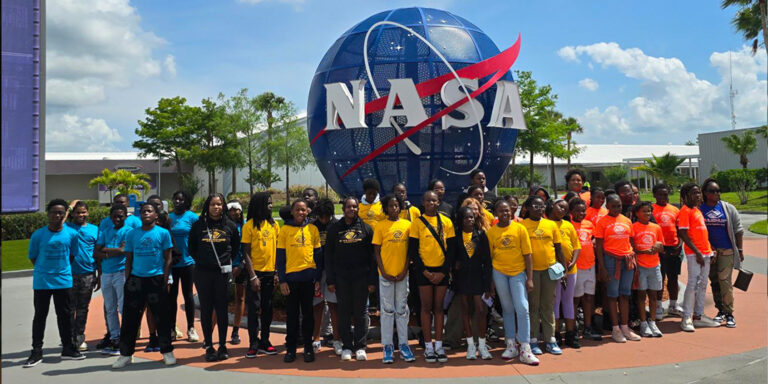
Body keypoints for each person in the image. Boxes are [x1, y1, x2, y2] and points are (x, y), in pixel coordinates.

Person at [112, 202, 176, 369]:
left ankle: (167, 352)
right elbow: (129, 259)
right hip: (135, 280)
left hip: (156, 279)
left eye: (149, 211)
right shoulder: (132, 234)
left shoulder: (163, 233)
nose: (145, 214)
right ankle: (126, 354)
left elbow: (168, 257)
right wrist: (128, 280)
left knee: (161, 318)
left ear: (156, 215)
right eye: (143, 212)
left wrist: (165, 276)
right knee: (130, 319)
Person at [24, 199, 85, 368]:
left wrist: (60, 270)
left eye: (61, 213)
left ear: (65, 214)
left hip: (63, 281)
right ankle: (36, 351)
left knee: (65, 316)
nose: (57, 215)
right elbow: (33, 257)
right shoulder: (38, 235)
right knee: (40, 317)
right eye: (53, 212)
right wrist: (45, 270)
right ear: (48, 214)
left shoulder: (72, 234)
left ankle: (68, 348)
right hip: (42, 281)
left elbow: (72, 255)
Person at [188, 193, 240, 361]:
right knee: (206, 309)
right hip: (203, 273)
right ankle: (209, 346)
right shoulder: (198, 226)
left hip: (222, 274)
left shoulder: (230, 226)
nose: (216, 207)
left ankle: (223, 345)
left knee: (222, 309)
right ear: (207, 206)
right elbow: (192, 248)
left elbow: (235, 246)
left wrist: (226, 262)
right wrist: (204, 261)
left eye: (219, 204)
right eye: (213, 204)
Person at [487, 201, 539, 365]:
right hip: (499, 272)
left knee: (522, 307)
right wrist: (491, 282)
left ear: (512, 212)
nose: (505, 213)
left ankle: (525, 346)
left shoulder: (520, 228)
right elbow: (489, 258)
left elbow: (528, 255)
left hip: (517, 273)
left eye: (507, 210)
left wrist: (529, 278)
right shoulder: (492, 232)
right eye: (501, 211)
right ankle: (511, 344)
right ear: (496, 213)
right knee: (507, 308)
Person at [326, 197, 376, 361]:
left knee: (361, 313)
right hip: (341, 278)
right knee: (344, 312)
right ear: (344, 208)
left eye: (355, 207)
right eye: (349, 207)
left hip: (361, 277)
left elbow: (372, 257)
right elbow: (329, 256)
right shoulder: (334, 229)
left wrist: (371, 280)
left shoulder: (366, 229)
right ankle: (347, 346)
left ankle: (360, 346)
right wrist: (331, 280)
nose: (352, 209)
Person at [410, 190, 455, 362]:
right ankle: (428, 346)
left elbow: (451, 250)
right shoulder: (417, 223)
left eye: (434, 201)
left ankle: (439, 345)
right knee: (426, 307)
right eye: (428, 200)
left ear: (438, 202)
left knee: (439, 308)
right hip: (424, 272)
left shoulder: (446, 221)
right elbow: (413, 251)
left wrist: (443, 272)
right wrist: (426, 272)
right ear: (423, 202)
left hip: (441, 271)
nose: (431, 203)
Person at [277, 199, 323, 363]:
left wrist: (317, 278)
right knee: (292, 316)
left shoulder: (313, 229)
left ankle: (308, 348)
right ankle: (290, 349)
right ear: (292, 211)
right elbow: (280, 258)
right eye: (297, 210)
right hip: (291, 281)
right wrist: (282, 280)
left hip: (308, 280)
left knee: (308, 315)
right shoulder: (285, 230)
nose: (300, 213)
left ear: (307, 212)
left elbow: (318, 256)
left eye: (303, 210)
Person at [373, 195, 416, 363]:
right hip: (385, 275)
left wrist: (405, 270)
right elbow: (377, 251)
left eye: (397, 205)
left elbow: (409, 252)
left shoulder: (407, 225)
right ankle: (388, 345)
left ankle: (404, 344)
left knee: (402, 310)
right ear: (386, 208)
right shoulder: (380, 226)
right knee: (387, 310)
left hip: (402, 275)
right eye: (391, 206)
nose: (394, 208)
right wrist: (383, 271)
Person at [520, 195, 565, 355]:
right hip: (531, 272)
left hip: (550, 270)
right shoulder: (522, 226)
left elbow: (558, 247)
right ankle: (532, 340)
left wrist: (564, 269)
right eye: (535, 206)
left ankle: (550, 339)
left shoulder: (551, 224)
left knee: (548, 305)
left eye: (541, 206)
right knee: (533, 306)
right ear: (527, 208)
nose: (539, 209)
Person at [595, 193, 640, 343]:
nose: (616, 208)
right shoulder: (602, 222)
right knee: (612, 295)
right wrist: (602, 267)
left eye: (619, 205)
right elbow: (599, 247)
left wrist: (634, 261)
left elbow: (631, 241)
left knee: (625, 294)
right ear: (607, 206)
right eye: (613, 206)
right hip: (610, 260)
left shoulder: (627, 220)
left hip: (627, 260)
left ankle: (625, 327)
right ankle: (615, 328)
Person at [700, 179, 744, 328]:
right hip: (709, 252)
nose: (716, 193)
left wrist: (740, 249)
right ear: (705, 193)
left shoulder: (727, 208)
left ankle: (729, 313)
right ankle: (721, 311)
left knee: (725, 282)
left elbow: (738, 230)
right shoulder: (700, 209)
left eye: (718, 190)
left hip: (726, 250)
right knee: (715, 282)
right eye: (713, 191)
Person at [241, 192, 281, 357]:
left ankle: (265, 340)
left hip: (271, 273)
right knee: (254, 309)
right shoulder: (249, 225)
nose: (271, 206)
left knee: (268, 308)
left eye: (271, 203)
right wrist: (252, 276)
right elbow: (246, 253)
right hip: (255, 274)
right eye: (268, 203)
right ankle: (253, 342)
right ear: (259, 205)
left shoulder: (274, 225)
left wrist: (277, 272)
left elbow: (278, 250)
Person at [452, 205, 493, 361]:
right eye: (466, 217)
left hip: (478, 278)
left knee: (481, 310)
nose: (469, 220)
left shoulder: (481, 235)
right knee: (465, 311)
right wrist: (455, 264)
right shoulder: (456, 236)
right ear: (461, 220)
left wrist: (488, 284)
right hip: (462, 278)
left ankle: (482, 345)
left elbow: (487, 261)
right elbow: (452, 256)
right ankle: (470, 345)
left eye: (471, 217)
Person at [677, 183, 720, 331]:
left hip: (705, 252)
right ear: (685, 196)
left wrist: (709, 251)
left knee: (702, 284)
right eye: (694, 193)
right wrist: (697, 253)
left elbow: (702, 232)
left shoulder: (697, 210)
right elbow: (683, 233)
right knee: (693, 284)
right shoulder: (685, 211)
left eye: (698, 193)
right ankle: (687, 317)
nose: (698, 196)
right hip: (694, 254)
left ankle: (699, 316)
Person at [94, 204, 132, 356]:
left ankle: (125, 338)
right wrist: (115, 251)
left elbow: (126, 250)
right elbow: (96, 252)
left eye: (120, 216)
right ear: (110, 217)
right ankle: (114, 337)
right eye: (115, 216)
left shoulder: (129, 231)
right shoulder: (106, 231)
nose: (117, 218)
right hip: (106, 273)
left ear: (125, 216)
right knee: (110, 308)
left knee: (123, 307)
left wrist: (106, 251)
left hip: (120, 272)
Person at [548, 199, 581, 349]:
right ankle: (555, 334)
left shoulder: (568, 225)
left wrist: (573, 262)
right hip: (554, 270)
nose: (562, 210)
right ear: (551, 206)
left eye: (565, 209)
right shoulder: (547, 224)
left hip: (570, 270)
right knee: (555, 301)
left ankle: (570, 332)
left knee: (568, 301)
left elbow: (576, 246)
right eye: (560, 206)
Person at [310, 198, 342, 356]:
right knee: (317, 305)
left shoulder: (337, 226)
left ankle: (336, 339)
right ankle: (316, 338)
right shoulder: (312, 226)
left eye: (326, 217)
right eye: (320, 217)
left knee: (334, 306)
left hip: (333, 272)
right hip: (316, 272)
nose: (323, 220)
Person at [66, 200, 99, 352]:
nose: (81, 215)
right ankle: (70, 337)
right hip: (69, 274)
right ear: (72, 214)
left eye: (83, 212)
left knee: (83, 308)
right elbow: (60, 218)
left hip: (88, 274)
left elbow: (98, 253)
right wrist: (70, 206)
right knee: (69, 308)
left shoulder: (95, 229)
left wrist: (99, 273)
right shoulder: (66, 227)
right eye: (77, 212)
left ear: (88, 213)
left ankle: (79, 336)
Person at [168, 190, 199, 342]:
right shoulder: (169, 218)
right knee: (171, 297)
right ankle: (172, 328)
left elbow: (199, 237)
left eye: (181, 199)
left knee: (188, 296)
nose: (178, 202)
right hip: (172, 264)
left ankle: (191, 328)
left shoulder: (192, 217)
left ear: (186, 201)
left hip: (188, 262)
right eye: (176, 199)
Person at [569, 198, 602, 341]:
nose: (581, 213)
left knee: (589, 297)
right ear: (571, 212)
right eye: (577, 210)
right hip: (576, 267)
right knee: (575, 299)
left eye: (583, 210)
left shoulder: (589, 224)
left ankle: (587, 326)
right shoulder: (568, 225)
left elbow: (594, 239)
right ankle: (573, 327)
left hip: (590, 265)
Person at [631, 202, 664, 337]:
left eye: (649, 211)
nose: (647, 214)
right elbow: (631, 248)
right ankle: (643, 323)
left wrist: (657, 246)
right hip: (641, 267)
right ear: (637, 213)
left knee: (654, 296)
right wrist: (643, 251)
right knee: (641, 295)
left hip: (655, 265)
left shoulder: (656, 227)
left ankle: (653, 321)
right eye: (644, 211)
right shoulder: (633, 227)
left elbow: (661, 246)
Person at [651, 184, 683, 319]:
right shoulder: (651, 209)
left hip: (674, 248)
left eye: (665, 194)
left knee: (673, 278)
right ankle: (658, 306)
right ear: (655, 195)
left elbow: (680, 229)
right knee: (660, 279)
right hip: (659, 249)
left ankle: (673, 305)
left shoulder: (675, 210)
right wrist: (658, 249)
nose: (663, 197)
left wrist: (679, 246)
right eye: (660, 194)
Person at [227, 201, 246, 345]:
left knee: (240, 298)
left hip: (241, 267)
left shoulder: (245, 226)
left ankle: (236, 330)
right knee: (220, 300)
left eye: (236, 210)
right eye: (231, 210)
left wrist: (241, 265)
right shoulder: (223, 226)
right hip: (225, 267)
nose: (234, 213)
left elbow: (248, 249)